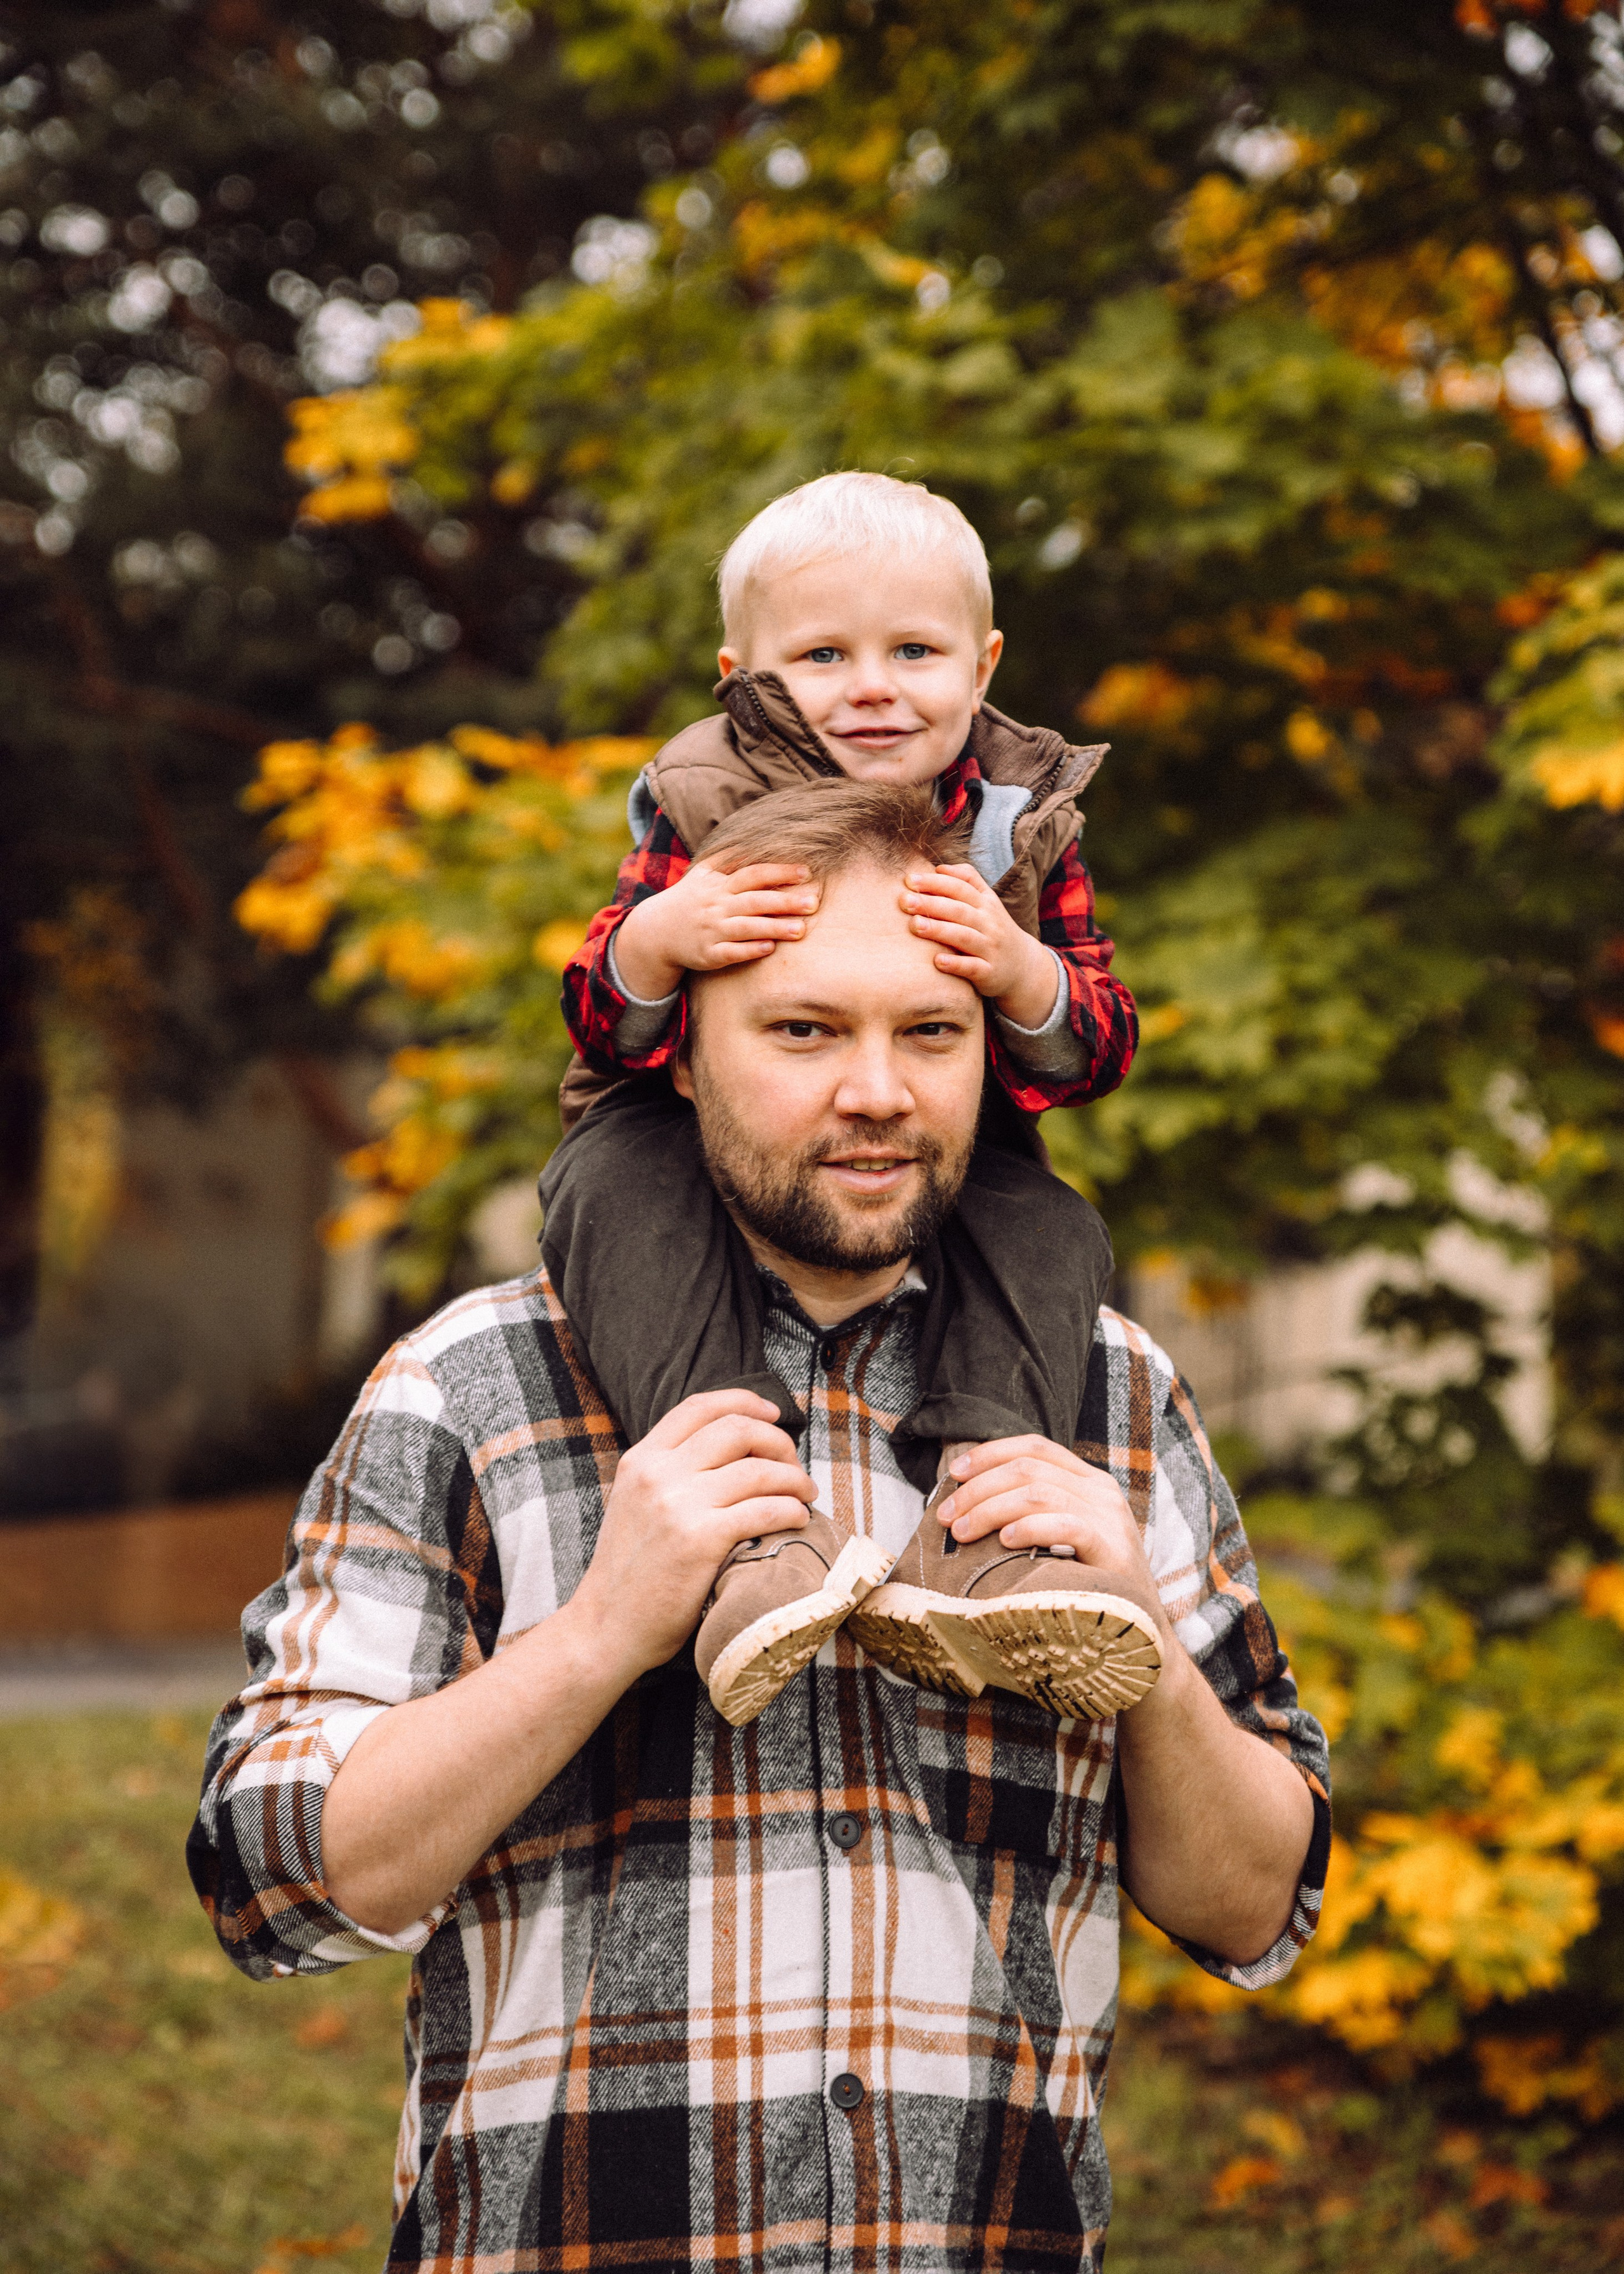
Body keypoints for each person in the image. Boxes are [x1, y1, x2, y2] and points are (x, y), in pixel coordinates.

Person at [187, 798, 1330, 2274]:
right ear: (683, 1047)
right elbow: (268, 1882)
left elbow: (1258, 1908)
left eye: (932, 1033)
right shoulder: (472, 1389)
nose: (877, 1092)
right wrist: (600, 1633)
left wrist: (1153, 1665)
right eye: (801, 1032)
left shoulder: (1107, 1396)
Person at [546, 471, 1141, 1724]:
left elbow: (1093, 1047)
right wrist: (664, 936)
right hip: (670, 1121)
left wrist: (1017, 971)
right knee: (620, 1200)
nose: (873, 685)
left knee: (1046, 1228)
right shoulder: (699, 799)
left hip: (953, 1150)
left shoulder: (1019, 823)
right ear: (741, 676)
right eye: (822, 654)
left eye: (913, 650)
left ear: (979, 666)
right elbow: (597, 1012)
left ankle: (985, 1527)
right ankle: (744, 1540)